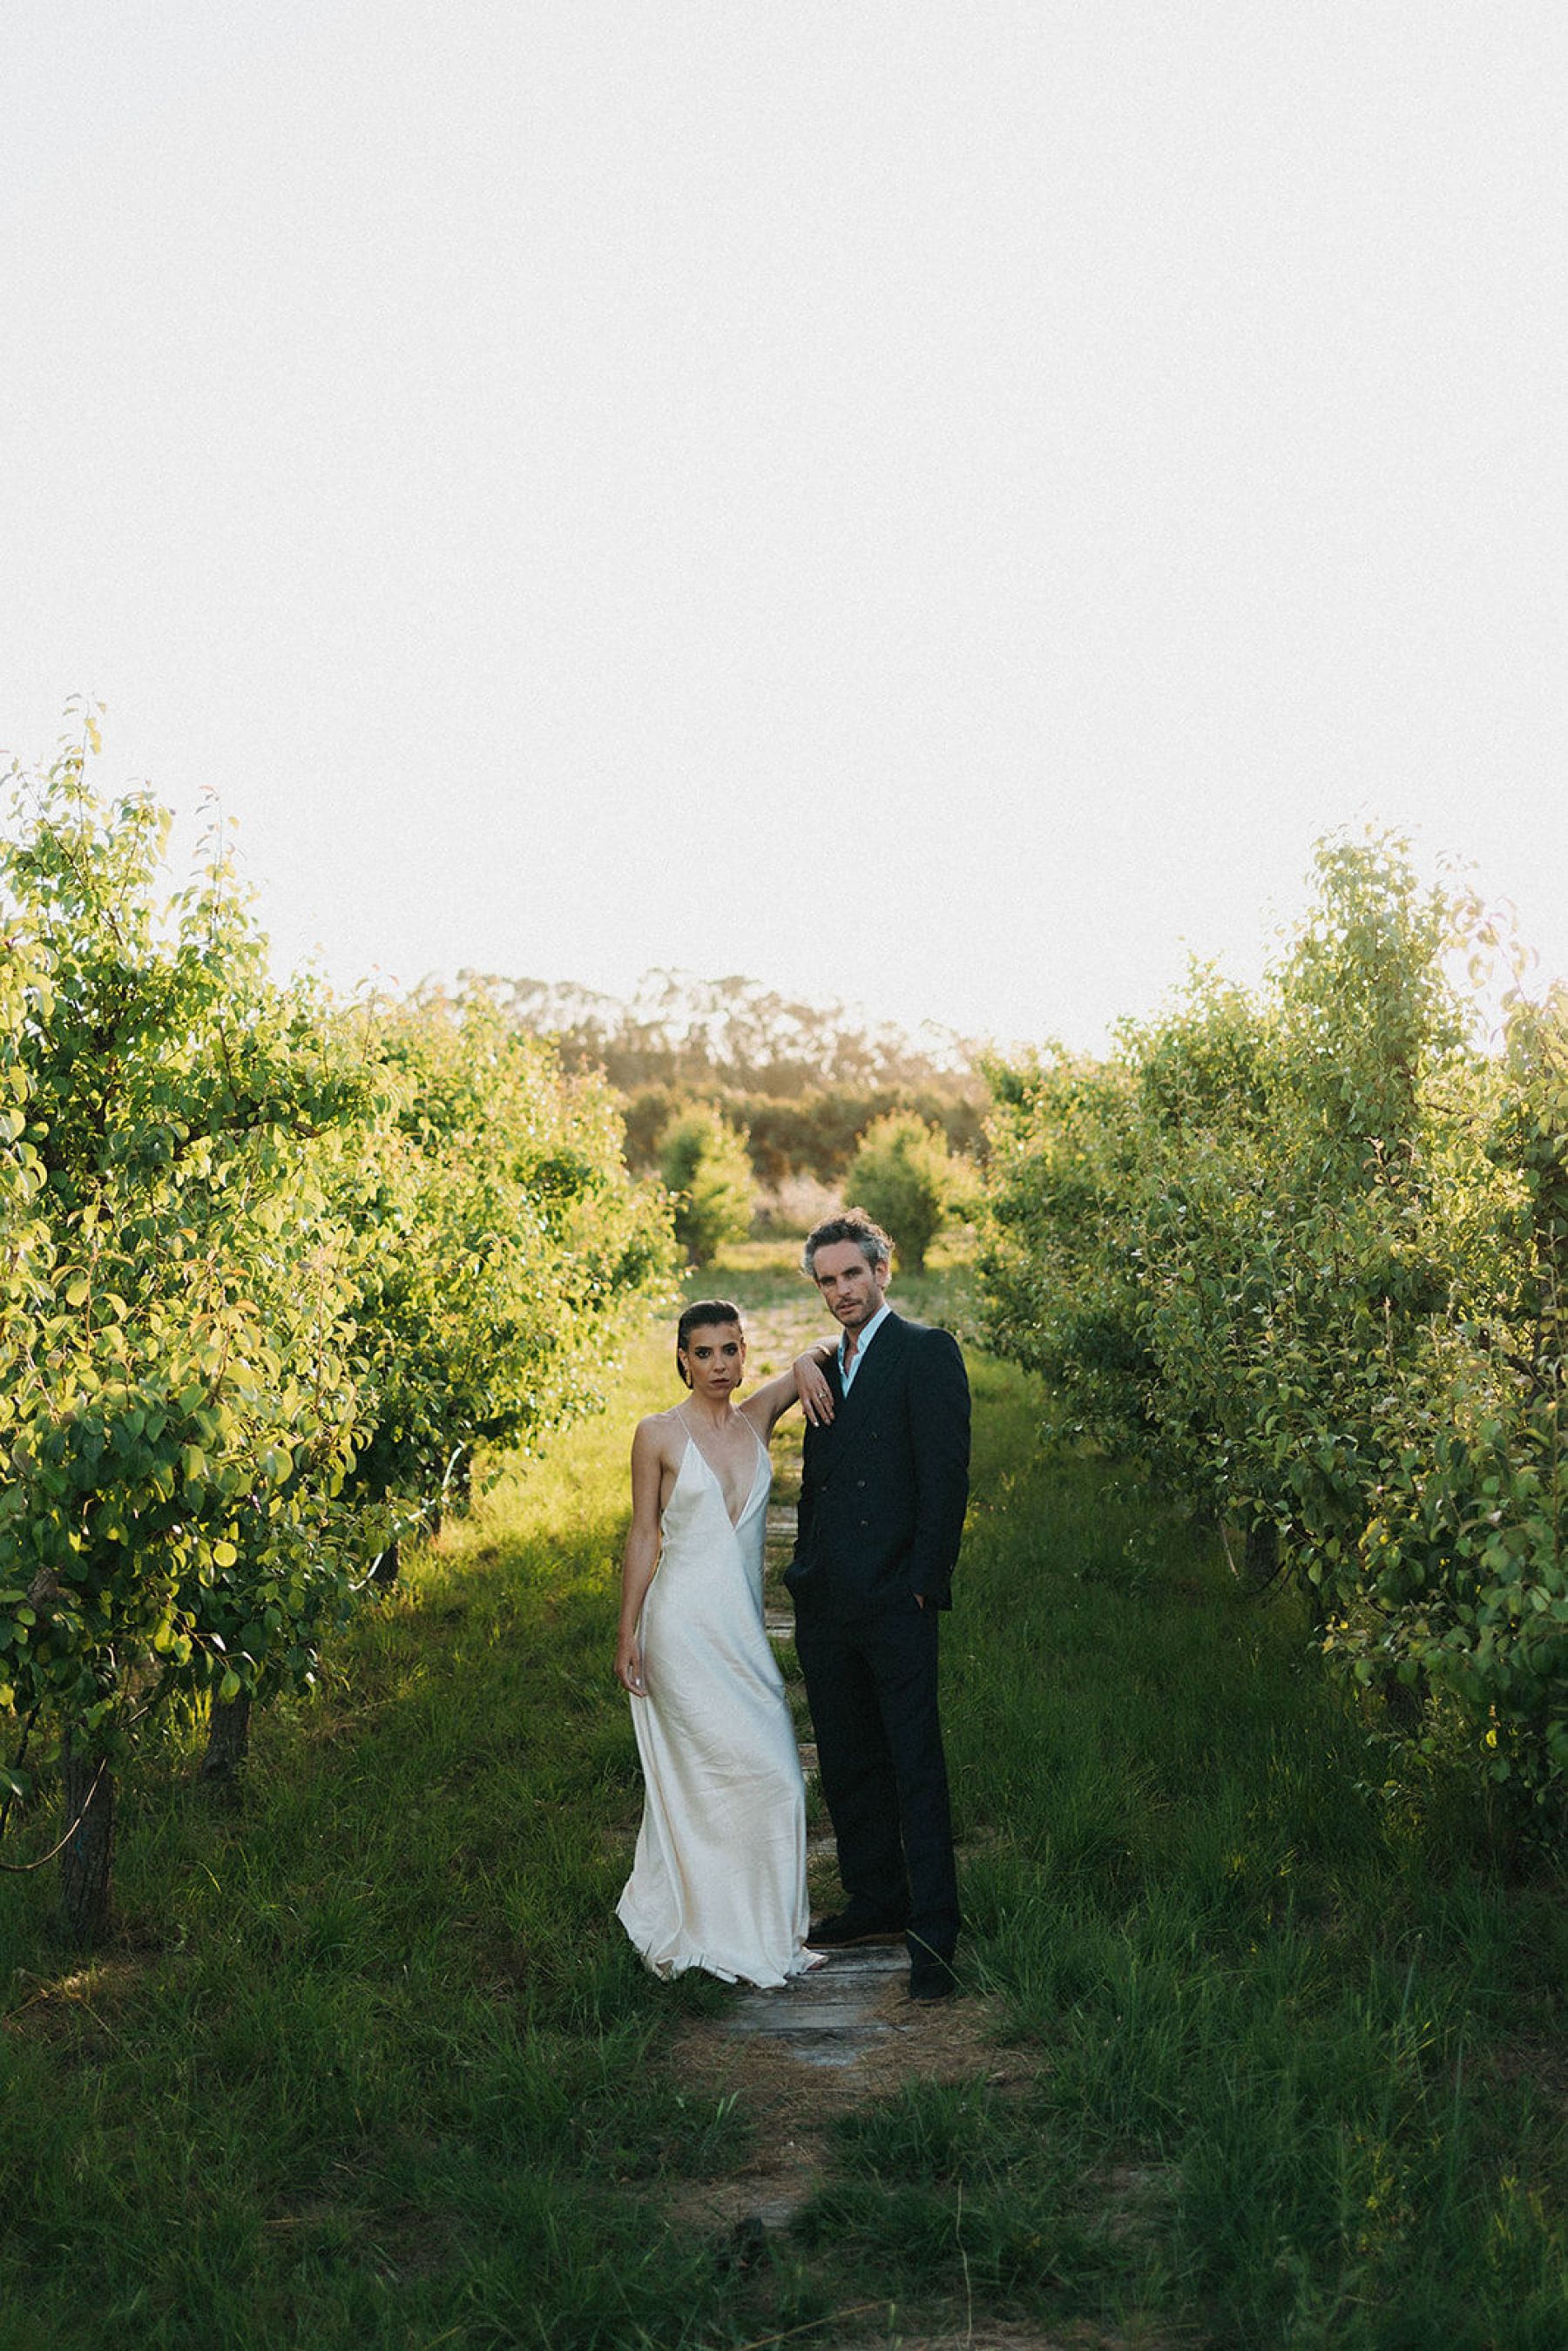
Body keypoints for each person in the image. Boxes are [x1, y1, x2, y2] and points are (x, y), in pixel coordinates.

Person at [614, 1300, 833, 1989]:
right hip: (679, 1629)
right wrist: (627, 1631)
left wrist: (803, 1360)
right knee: (707, 1779)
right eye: (703, 1352)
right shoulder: (657, 1433)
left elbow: (832, 1341)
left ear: (745, 1351)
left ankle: (763, 1931)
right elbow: (644, 1534)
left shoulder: (758, 1416)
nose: (718, 1365)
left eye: (730, 1350)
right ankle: (712, 1926)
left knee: (776, 1777)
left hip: (741, 1636)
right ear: (681, 1356)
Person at [784, 1208, 970, 2001]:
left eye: (851, 1275)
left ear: (881, 1270)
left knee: (913, 1761)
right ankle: (874, 1899)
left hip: (898, 1595)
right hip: (827, 1596)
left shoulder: (926, 1353)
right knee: (849, 1756)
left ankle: (933, 1932)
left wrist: (925, 1581)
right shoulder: (825, 1361)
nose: (840, 1292)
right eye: (827, 1281)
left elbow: (946, 1478)